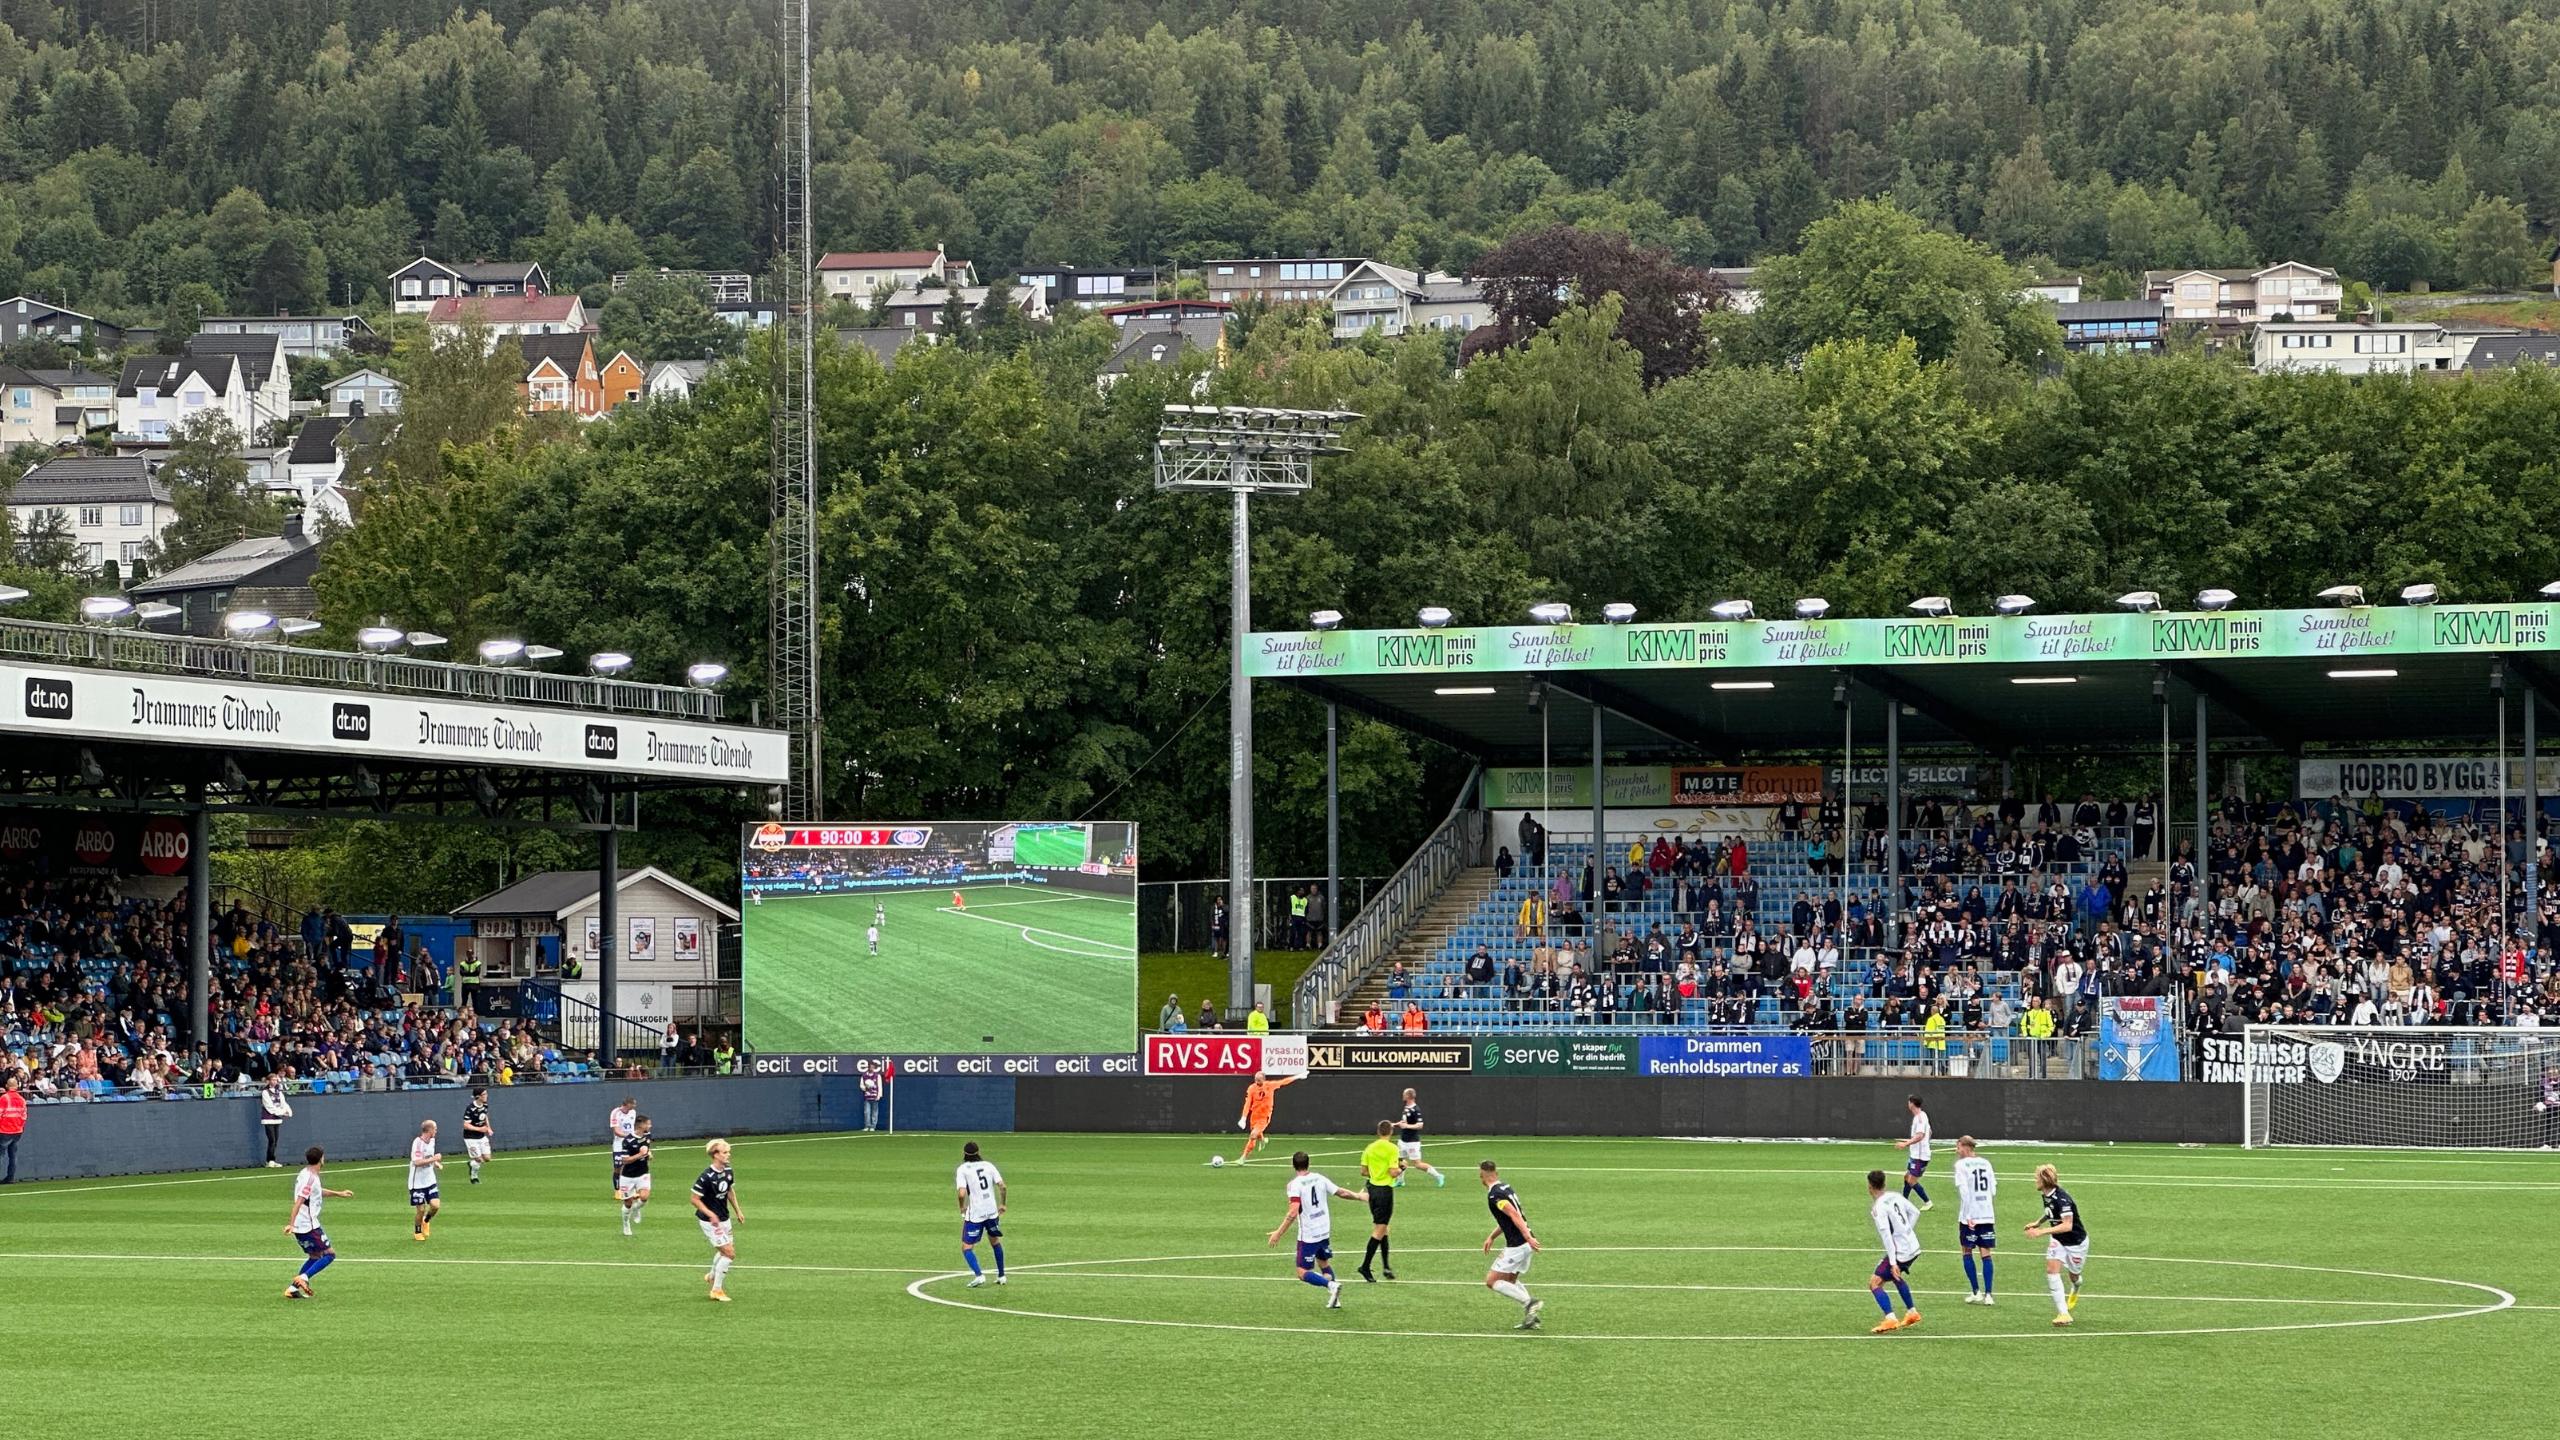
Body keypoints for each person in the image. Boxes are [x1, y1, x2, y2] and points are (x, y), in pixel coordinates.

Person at [1265, 1149, 1364, 1310]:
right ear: (1308, 1163)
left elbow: (1293, 1210)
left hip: (1309, 1234)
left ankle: (1331, 1286)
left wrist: (1279, 1232)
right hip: (1324, 1228)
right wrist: (1359, 1196)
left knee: (1302, 1271)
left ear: (1293, 1166)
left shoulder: (1294, 1185)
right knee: (1323, 1262)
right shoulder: (1319, 1178)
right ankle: (1336, 1299)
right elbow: (1341, 1192)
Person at [1478, 1160, 1543, 1330]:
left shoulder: (1495, 1195)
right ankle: (1531, 1317)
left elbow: (1514, 1214)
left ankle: (1529, 1303)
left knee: (1492, 1281)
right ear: (1496, 1173)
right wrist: (1492, 1237)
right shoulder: (1506, 1187)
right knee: (1510, 1280)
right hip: (1524, 1243)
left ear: (1482, 1176)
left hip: (1518, 1245)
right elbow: (1509, 1218)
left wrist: (1527, 1237)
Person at [284, 1145, 354, 1301]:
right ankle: (304, 1278)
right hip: (308, 1226)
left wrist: (339, 1193)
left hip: (303, 1225)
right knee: (330, 1254)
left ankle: (292, 1288)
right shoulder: (310, 1178)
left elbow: (316, 1192)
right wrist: (291, 1223)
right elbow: (299, 1201)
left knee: (315, 1256)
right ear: (321, 1159)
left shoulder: (306, 1173)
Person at [2023, 1163, 2090, 1326]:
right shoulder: (2047, 1195)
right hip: (2058, 1239)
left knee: (2074, 1276)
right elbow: (2050, 1212)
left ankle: (2076, 1285)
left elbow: (2067, 1225)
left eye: (2036, 1178)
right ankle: (2063, 1313)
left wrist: (2040, 1232)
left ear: (2044, 1180)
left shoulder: (2062, 1199)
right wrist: (2038, 1222)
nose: (2034, 1180)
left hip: (2076, 1242)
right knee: (2051, 1270)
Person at [1865, 1168, 1924, 1333]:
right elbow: (1916, 1212)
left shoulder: (1878, 1208)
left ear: (1870, 1186)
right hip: (1913, 1246)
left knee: (1874, 1283)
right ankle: (1912, 1312)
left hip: (1901, 1251)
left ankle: (1890, 1318)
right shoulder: (1895, 1195)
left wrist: (1892, 1262)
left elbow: (1886, 1236)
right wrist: (1906, 1232)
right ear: (1884, 1183)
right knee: (1896, 1276)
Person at [692, 1138, 740, 1303]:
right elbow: (694, 1199)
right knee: (729, 1253)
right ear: (715, 1154)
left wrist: (738, 1211)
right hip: (710, 1221)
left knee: (724, 1251)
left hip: (724, 1218)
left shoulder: (728, 1171)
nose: (728, 1155)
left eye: (728, 1152)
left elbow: (729, 1191)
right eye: (725, 1152)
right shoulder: (706, 1176)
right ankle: (716, 1290)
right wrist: (710, 1214)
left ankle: (712, 1276)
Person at [1952, 1136, 1997, 1304]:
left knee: (1967, 1251)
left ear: (1965, 1147)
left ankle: (1976, 1291)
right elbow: (1993, 1189)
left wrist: (1969, 1213)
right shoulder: (1986, 1163)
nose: (1957, 1151)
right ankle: (1989, 1295)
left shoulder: (1961, 1165)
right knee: (1986, 1253)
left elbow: (1964, 1190)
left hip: (1969, 1216)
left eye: (1958, 1147)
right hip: (1986, 1213)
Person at [1357, 1120, 1403, 1282]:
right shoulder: (1392, 1148)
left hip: (1372, 1190)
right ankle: (1365, 1266)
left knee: (1383, 1229)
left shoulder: (1370, 1148)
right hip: (1384, 1191)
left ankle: (1386, 1266)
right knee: (1379, 1230)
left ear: (1378, 1132)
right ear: (1390, 1132)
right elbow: (1392, 1172)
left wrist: (1376, 1173)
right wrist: (1401, 1168)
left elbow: (1364, 1171)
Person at [956, 1140, 1007, 1287]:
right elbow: (1002, 1187)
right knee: (995, 1242)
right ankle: (1002, 1276)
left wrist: (961, 1207)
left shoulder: (963, 1169)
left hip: (976, 1213)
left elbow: (961, 1193)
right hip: (991, 1211)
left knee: (966, 1247)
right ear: (978, 1152)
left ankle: (979, 1275)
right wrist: (1002, 1204)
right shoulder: (988, 1165)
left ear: (964, 1154)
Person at [1236, 1073, 1298, 1162]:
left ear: (1264, 1079)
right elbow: (1248, 1103)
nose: (1257, 1081)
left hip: (1264, 1117)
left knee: (1253, 1135)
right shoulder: (1251, 1088)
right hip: (1254, 1116)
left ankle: (1243, 1157)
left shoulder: (1270, 1085)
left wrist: (1297, 1077)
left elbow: (1283, 1082)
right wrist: (1243, 1118)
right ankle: (1262, 1139)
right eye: (1256, 1079)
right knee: (1255, 1133)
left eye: (1259, 1080)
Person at [1395, 1087, 1446, 1186]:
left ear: (1408, 1096)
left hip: (1412, 1142)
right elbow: (1404, 1121)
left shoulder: (1416, 1109)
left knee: (1417, 1164)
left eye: (1404, 1094)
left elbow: (1420, 1125)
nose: (1402, 1096)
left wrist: (1406, 1126)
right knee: (1399, 1160)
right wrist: (1395, 1124)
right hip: (1403, 1140)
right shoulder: (1406, 1107)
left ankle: (1438, 1176)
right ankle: (1400, 1181)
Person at [1892, 1094, 1934, 1209]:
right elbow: (1929, 1132)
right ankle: (1904, 1201)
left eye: (1908, 1102)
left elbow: (1920, 1135)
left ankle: (1928, 1202)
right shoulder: (1922, 1115)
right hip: (1916, 1154)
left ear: (1911, 1103)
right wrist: (1914, 1141)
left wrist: (1906, 1144)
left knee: (1911, 1180)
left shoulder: (1920, 1118)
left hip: (1920, 1156)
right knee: (1907, 1177)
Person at [617, 1115, 654, 1235]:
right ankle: (626, 1224)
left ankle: (636, 1208)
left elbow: (647, 1149)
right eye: (648, 1124)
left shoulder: (648, 1136)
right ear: (641, 1125)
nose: (650, 1126)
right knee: (628, 1203)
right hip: (627, 1176)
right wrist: (640, 1155)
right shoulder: (628, 1140)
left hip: (643, 1173)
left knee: (644, 1197)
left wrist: (649, 1154)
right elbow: (625, 1160)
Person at [407, 1120, 442, 1241]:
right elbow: (416, 1162)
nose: (436, 1131)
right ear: (429, 1130)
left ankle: (426, 1221)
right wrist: (434, 1159)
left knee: (435, 1206)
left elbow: (428, 1157)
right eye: (435, 1129)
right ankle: (417, 1231)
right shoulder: (417, 1143)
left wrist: (435, 1163)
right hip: (417, 1183)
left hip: (430, 1180)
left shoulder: (432, 1141)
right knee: (420, 1209)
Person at [259, 1073, 293, 1167]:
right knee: (272, 1140)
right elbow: (269, 1107)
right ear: (268, 1081)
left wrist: (288, 1112)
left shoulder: (279, 1092)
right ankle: (270, 1160)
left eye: (275, 1080)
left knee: (275, 1140)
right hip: (268, 1119)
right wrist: (281, 1112)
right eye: (272, 1080)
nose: (274, 1082)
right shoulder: (265, 1092)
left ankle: (271, 1160)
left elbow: (283, 1103)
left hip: (277, 1119)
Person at [608, 1096, 638, 1201]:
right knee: (618, 1167)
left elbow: (633, 1127)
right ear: (628, 1104)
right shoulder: (615, 1112)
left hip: (630, 1144)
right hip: (619, 1144)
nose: (635, 1106)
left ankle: (631, 1191)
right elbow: (616, 1131)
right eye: (633, 1104)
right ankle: (617, 1191)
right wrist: (627, 1136)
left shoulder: (633, 1113)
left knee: (631, 1166)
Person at [461, 1087, 493, 1184]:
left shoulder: (485, 1105)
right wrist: (479, 1129)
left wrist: (489, 1128)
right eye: (484, 1094)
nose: (486, 1096)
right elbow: (465, 1125)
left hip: (481, 1136)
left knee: (487, 1158)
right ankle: (474, 1177)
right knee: (478, 1160)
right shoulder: (470, 1108)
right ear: (478, 1097)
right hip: (470, 1137)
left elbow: (485, 1116)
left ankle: (472, 1163)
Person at [0, 1073, 23, 1183]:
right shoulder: (21, 1099)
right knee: (13, 1155)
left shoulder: (4, 1098)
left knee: (1, 1154)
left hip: (4, 1130)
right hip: (17, 1131)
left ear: (6, 1086)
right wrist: (19, 1127)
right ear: (17, 1086)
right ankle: (11, 1177)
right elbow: (24, 1116)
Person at [860, 1064, 886, 1131]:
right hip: (867, 1097)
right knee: (867, 1112)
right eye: (869, 1067)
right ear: (868, 1067)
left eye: (872, 1067)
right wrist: (865, 1088)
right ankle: (867, 1126)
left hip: (875, 1097)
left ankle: (873, 1126)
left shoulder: (877, 1076)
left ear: (874, 1068)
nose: (871, 1068)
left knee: (874, 1112)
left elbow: (880, 1086)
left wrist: (879, 1095)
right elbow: (861, 1085)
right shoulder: (864, 1076)